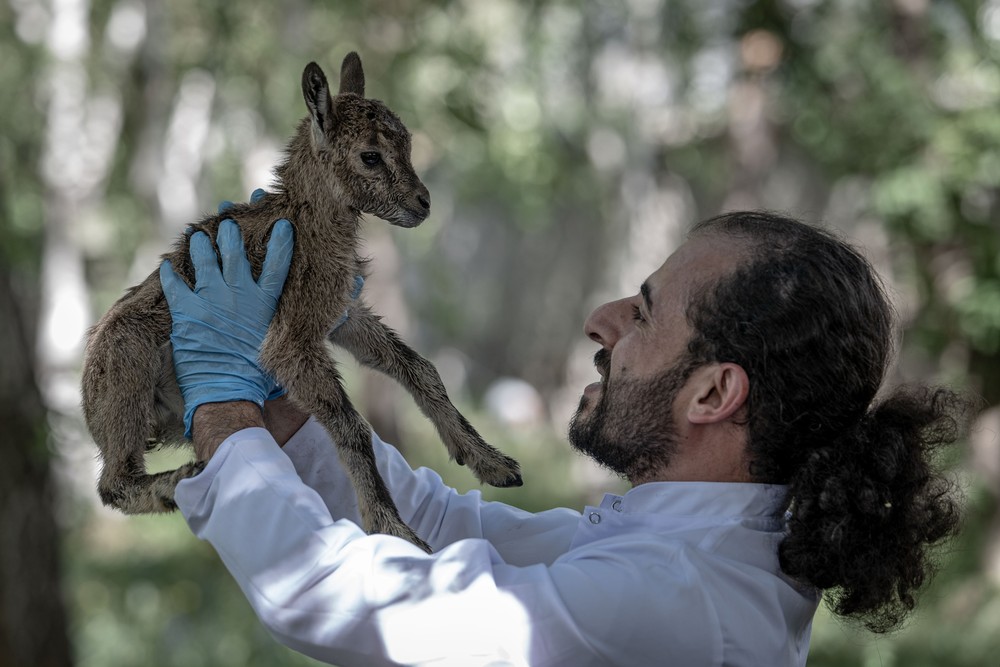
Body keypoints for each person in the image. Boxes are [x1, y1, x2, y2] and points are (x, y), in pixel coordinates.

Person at [161, 207, 969, 666]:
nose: (603, 320)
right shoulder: (696, 553)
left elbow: (334, 597)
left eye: (645, 312)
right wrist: (284, 406)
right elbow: (444, 531)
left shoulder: (674, 600)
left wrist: (220, 403)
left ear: (714, 391)